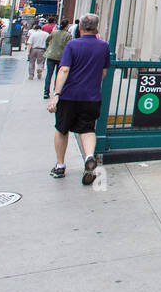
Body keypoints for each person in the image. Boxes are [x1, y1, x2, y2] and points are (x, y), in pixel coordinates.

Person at [47, 13, 111, 185]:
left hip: (69, 95)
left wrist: (56, 94)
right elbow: (103, 72)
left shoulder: (72, 45)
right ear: (97, 28)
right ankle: (89, 156)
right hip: (91, 96)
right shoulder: (103, 47)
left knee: (62, 129)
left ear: (80, 28)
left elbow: (64, 70)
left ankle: (60, 165)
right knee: (88, 129)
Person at [42, 20, 73, 99]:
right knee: (58, 74)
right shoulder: (68, 35)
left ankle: (46, 92)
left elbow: (47, 40)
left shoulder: (54, 32)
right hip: (61, 57)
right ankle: (56, 90)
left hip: (51, 55)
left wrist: (48, 48)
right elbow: (69, 46)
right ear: (66, 26)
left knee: (49, 74)